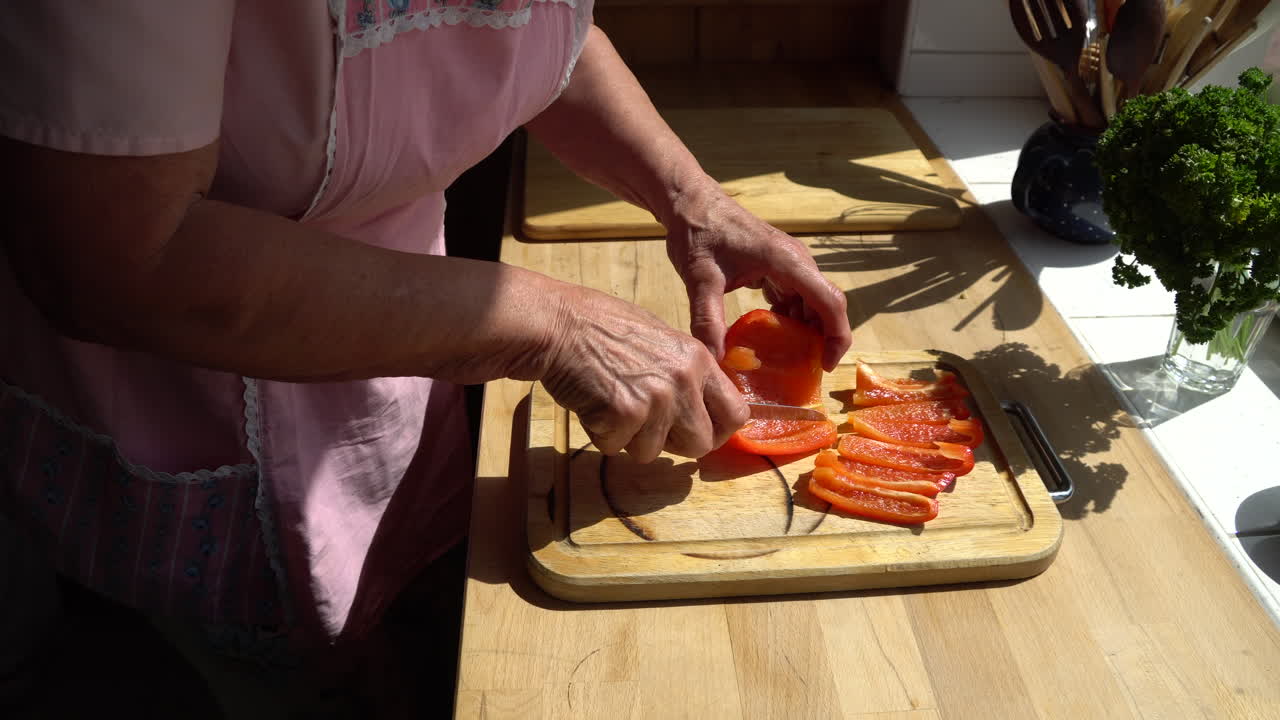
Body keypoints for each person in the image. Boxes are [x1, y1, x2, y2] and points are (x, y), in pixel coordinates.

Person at [0, 0, 850, 711]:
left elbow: (538, 39)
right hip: (177, 402)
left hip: (404, 346)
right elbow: (114, 257)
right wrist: (553, 324)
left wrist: (689, 195)